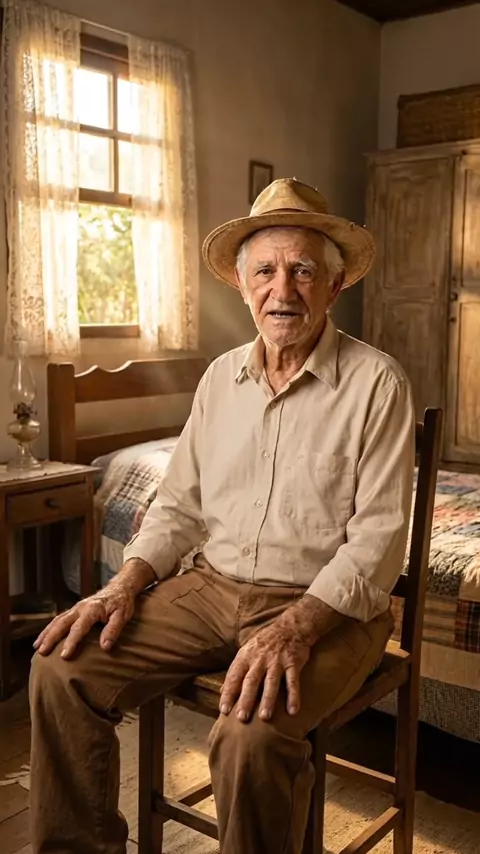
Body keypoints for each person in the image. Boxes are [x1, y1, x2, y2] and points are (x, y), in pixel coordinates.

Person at [29, 178, 415, 854]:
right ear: (242, 285)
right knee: (61, 670)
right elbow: (177, 504)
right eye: (265, 271)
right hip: (210, 588)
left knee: (250, 736)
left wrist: (294, 627)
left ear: (333, 287)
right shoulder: (219, 378)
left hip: (325, 607)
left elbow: (378, 542)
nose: (282, 289)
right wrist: (122, 584)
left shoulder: (378, 382)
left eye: (302, 271)